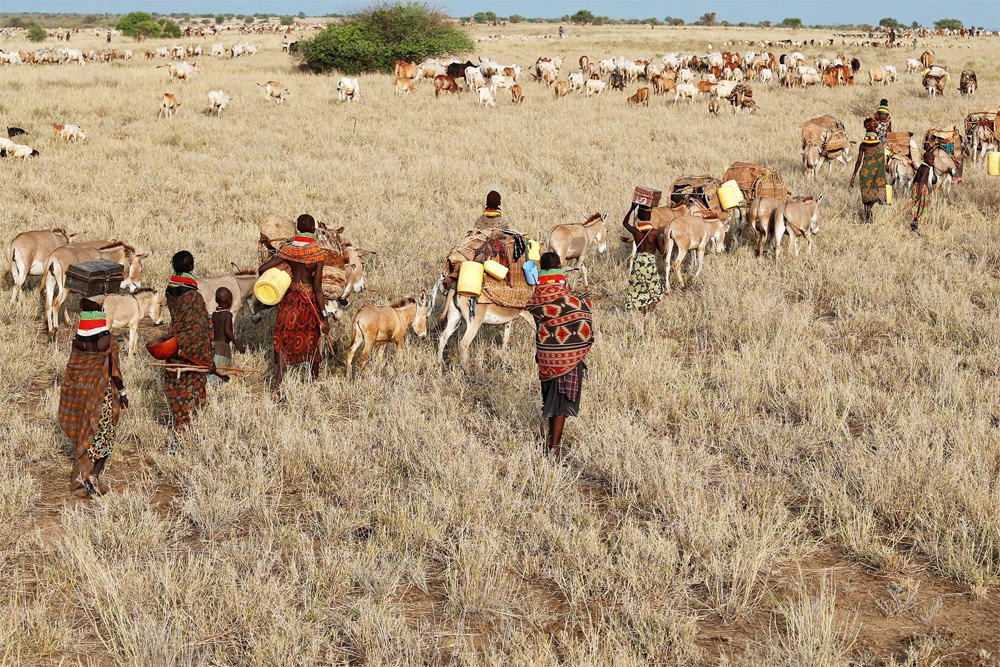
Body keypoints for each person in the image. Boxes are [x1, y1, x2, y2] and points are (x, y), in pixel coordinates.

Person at [525, 252, 593, 458]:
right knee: (562, 402)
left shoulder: (537, 297)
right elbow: (584, 316)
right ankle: (554, 447)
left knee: (550, 399)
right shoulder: (572, 300)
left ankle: (549, 440)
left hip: (546, 355)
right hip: (569, 358)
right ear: (560, 267)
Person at [58, 298, 128, 497]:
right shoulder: (108, 340)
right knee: (104, 437)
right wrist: (123, 394)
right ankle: (93, 476)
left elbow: (73, 368)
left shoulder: (77, 340)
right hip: (101, 395)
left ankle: (85, 476)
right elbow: (115, 373)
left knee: (87, 434)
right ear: (100, 309)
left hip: (81, 395)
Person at [258, 214, 328, 391]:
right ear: (313, 230)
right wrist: (324, 316)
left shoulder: (288, 250)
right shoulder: (317, 253)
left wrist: (283, 270)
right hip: (308, 301)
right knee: (311, 339)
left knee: (283, 337)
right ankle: (314, 380)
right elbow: (318, 289)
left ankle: (277, 384)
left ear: (297, 229)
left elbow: (262, 269)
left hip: (290, 299)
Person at [163, 251, 214, 431]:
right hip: (194, 346)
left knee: (175, 380)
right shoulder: (194, 295)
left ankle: (180, 419)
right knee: (195, 379)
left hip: (175, 342)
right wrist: (209, 357)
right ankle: (192, 421)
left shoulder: (170, 291)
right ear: (191, 267)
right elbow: (203, 324)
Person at [622, 202, 665, 313]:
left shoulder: (636, 232)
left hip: (638, 261)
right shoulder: (655, 232)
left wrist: (632, 208)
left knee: (638, 289)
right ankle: (649, 312)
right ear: (649, 217)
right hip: (649, 263)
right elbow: (661, 251)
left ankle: (642, 314)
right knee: (655, 289)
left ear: (639, 217)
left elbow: (625, 223)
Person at [850, 118, 887, 223]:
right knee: (874, 196)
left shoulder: (863, 145)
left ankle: (868, 217)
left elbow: (858, 162)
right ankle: (869, 217)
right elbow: (882, 160)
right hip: (877, 174)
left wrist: (853, 176)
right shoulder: (880, 145)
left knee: (866, 198)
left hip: (865, 174)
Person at [209, 287, 244, 387]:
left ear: (216, 301)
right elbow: (227, 331)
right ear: (230, 301)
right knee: (221, 368)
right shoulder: (227, 315)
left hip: (214, 345)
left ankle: (216, 384)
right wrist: (237, 344)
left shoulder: (214, 314)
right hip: (223, 347)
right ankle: (215, 386)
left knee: (215, 366)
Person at [911, 149, 935, 232]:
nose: (932, 162)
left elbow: (915, 179)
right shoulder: (927, 169)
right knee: (922, 207)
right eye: (931, 160)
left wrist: (914, 188)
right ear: (925, 159)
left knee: (916, 206)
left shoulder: (921, 166)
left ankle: (914, 223)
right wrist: (919, 192)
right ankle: (917, 225)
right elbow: (921, 180)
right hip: (922, 189)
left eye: (933, 160)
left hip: (916, 187)